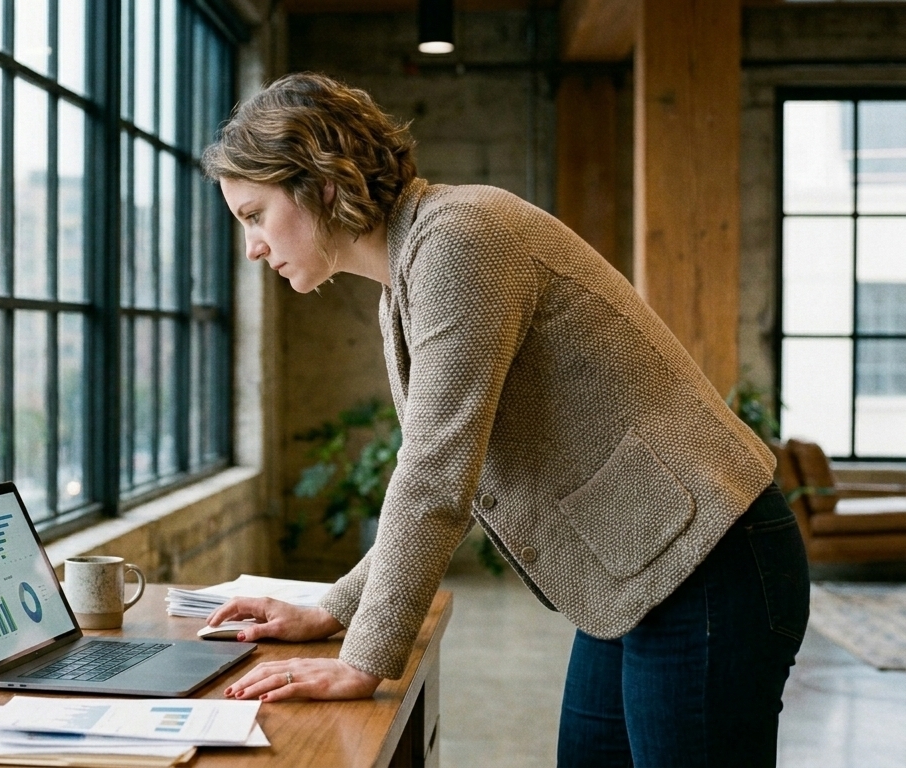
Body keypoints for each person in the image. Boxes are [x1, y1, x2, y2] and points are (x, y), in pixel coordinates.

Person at [201, 72, 810, 767]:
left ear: (323, 184)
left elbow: (435, 472)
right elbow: (436, 469)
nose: (250, 246)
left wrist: (363, 660)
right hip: (643, 569)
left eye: (253, 214)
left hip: (711, 563)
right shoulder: (409, 273)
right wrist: (333, 610)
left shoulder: (460, 239)